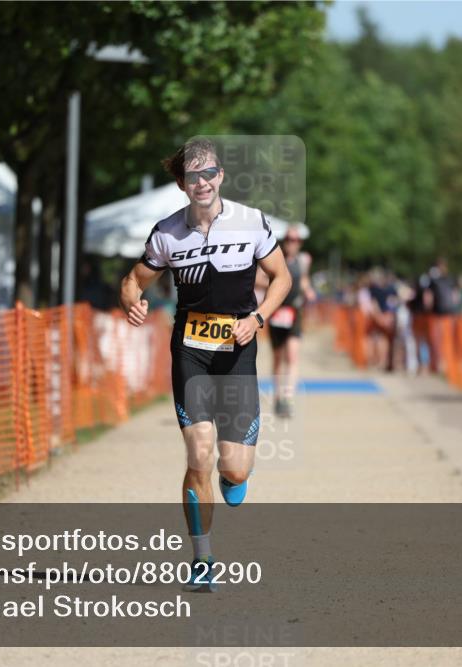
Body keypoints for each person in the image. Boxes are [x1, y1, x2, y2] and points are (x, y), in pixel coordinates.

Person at [119, 138, 291, 592]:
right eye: (193, 175)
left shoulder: (251, 222)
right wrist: (130, 300)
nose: (203, 182)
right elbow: (134, 279)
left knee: (233, 468)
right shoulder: (167, 233)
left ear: (220, 176)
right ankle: (202, 559)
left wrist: (257, 319)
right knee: (198, 454)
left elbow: (282, 277)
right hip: (190, 350)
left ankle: (235, 474)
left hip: (237, 348)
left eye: (209, 173)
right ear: (181, 183)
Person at [258, 226, 316, 418]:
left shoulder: (304, 261)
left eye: (297, 240)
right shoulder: (274, 259)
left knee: (292, 356)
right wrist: (277, 285)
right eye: (290, 239)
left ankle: (288, 399)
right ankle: (277, 397)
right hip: (277, 312)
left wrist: (308, 291)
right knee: (278, 358)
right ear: (284, 240)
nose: (293, 243)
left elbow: (305, 280)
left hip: (294, 313)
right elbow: (258, 279)